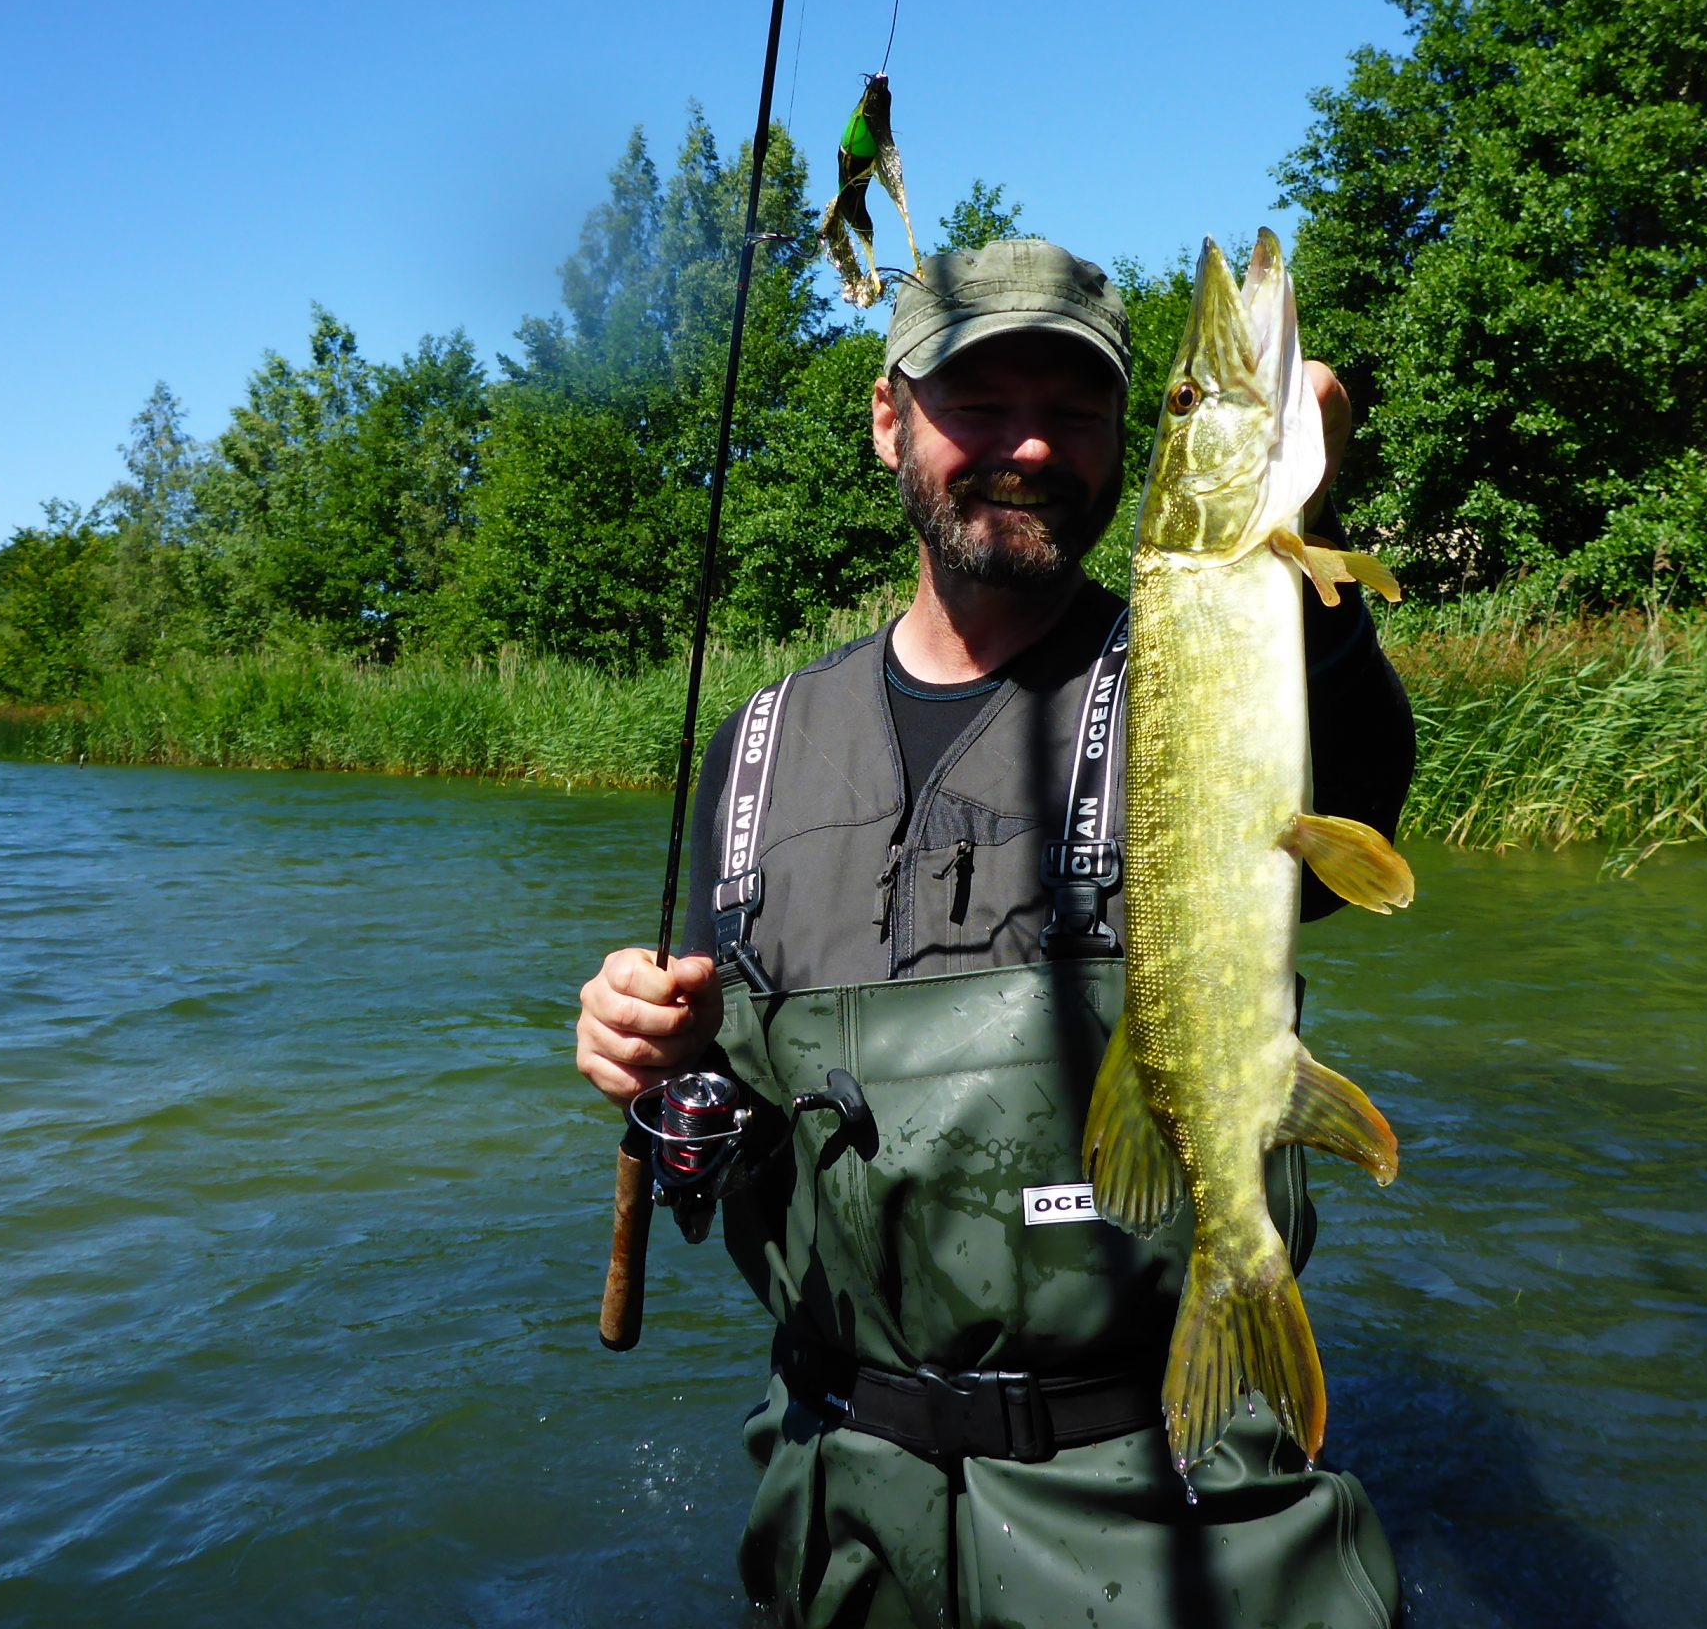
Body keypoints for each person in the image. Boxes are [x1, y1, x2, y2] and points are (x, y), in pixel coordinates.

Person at [576, 238, 1413, 1628]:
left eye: (1077, 410)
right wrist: (647, 1040)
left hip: (1162, 1503)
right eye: (980, 401)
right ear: (890, 416)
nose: (1028, 444)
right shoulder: (765, 745)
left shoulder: (1206, 659)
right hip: (840, 1511)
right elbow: (721, 1054)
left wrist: (1307, 546)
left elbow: (1357, 794)